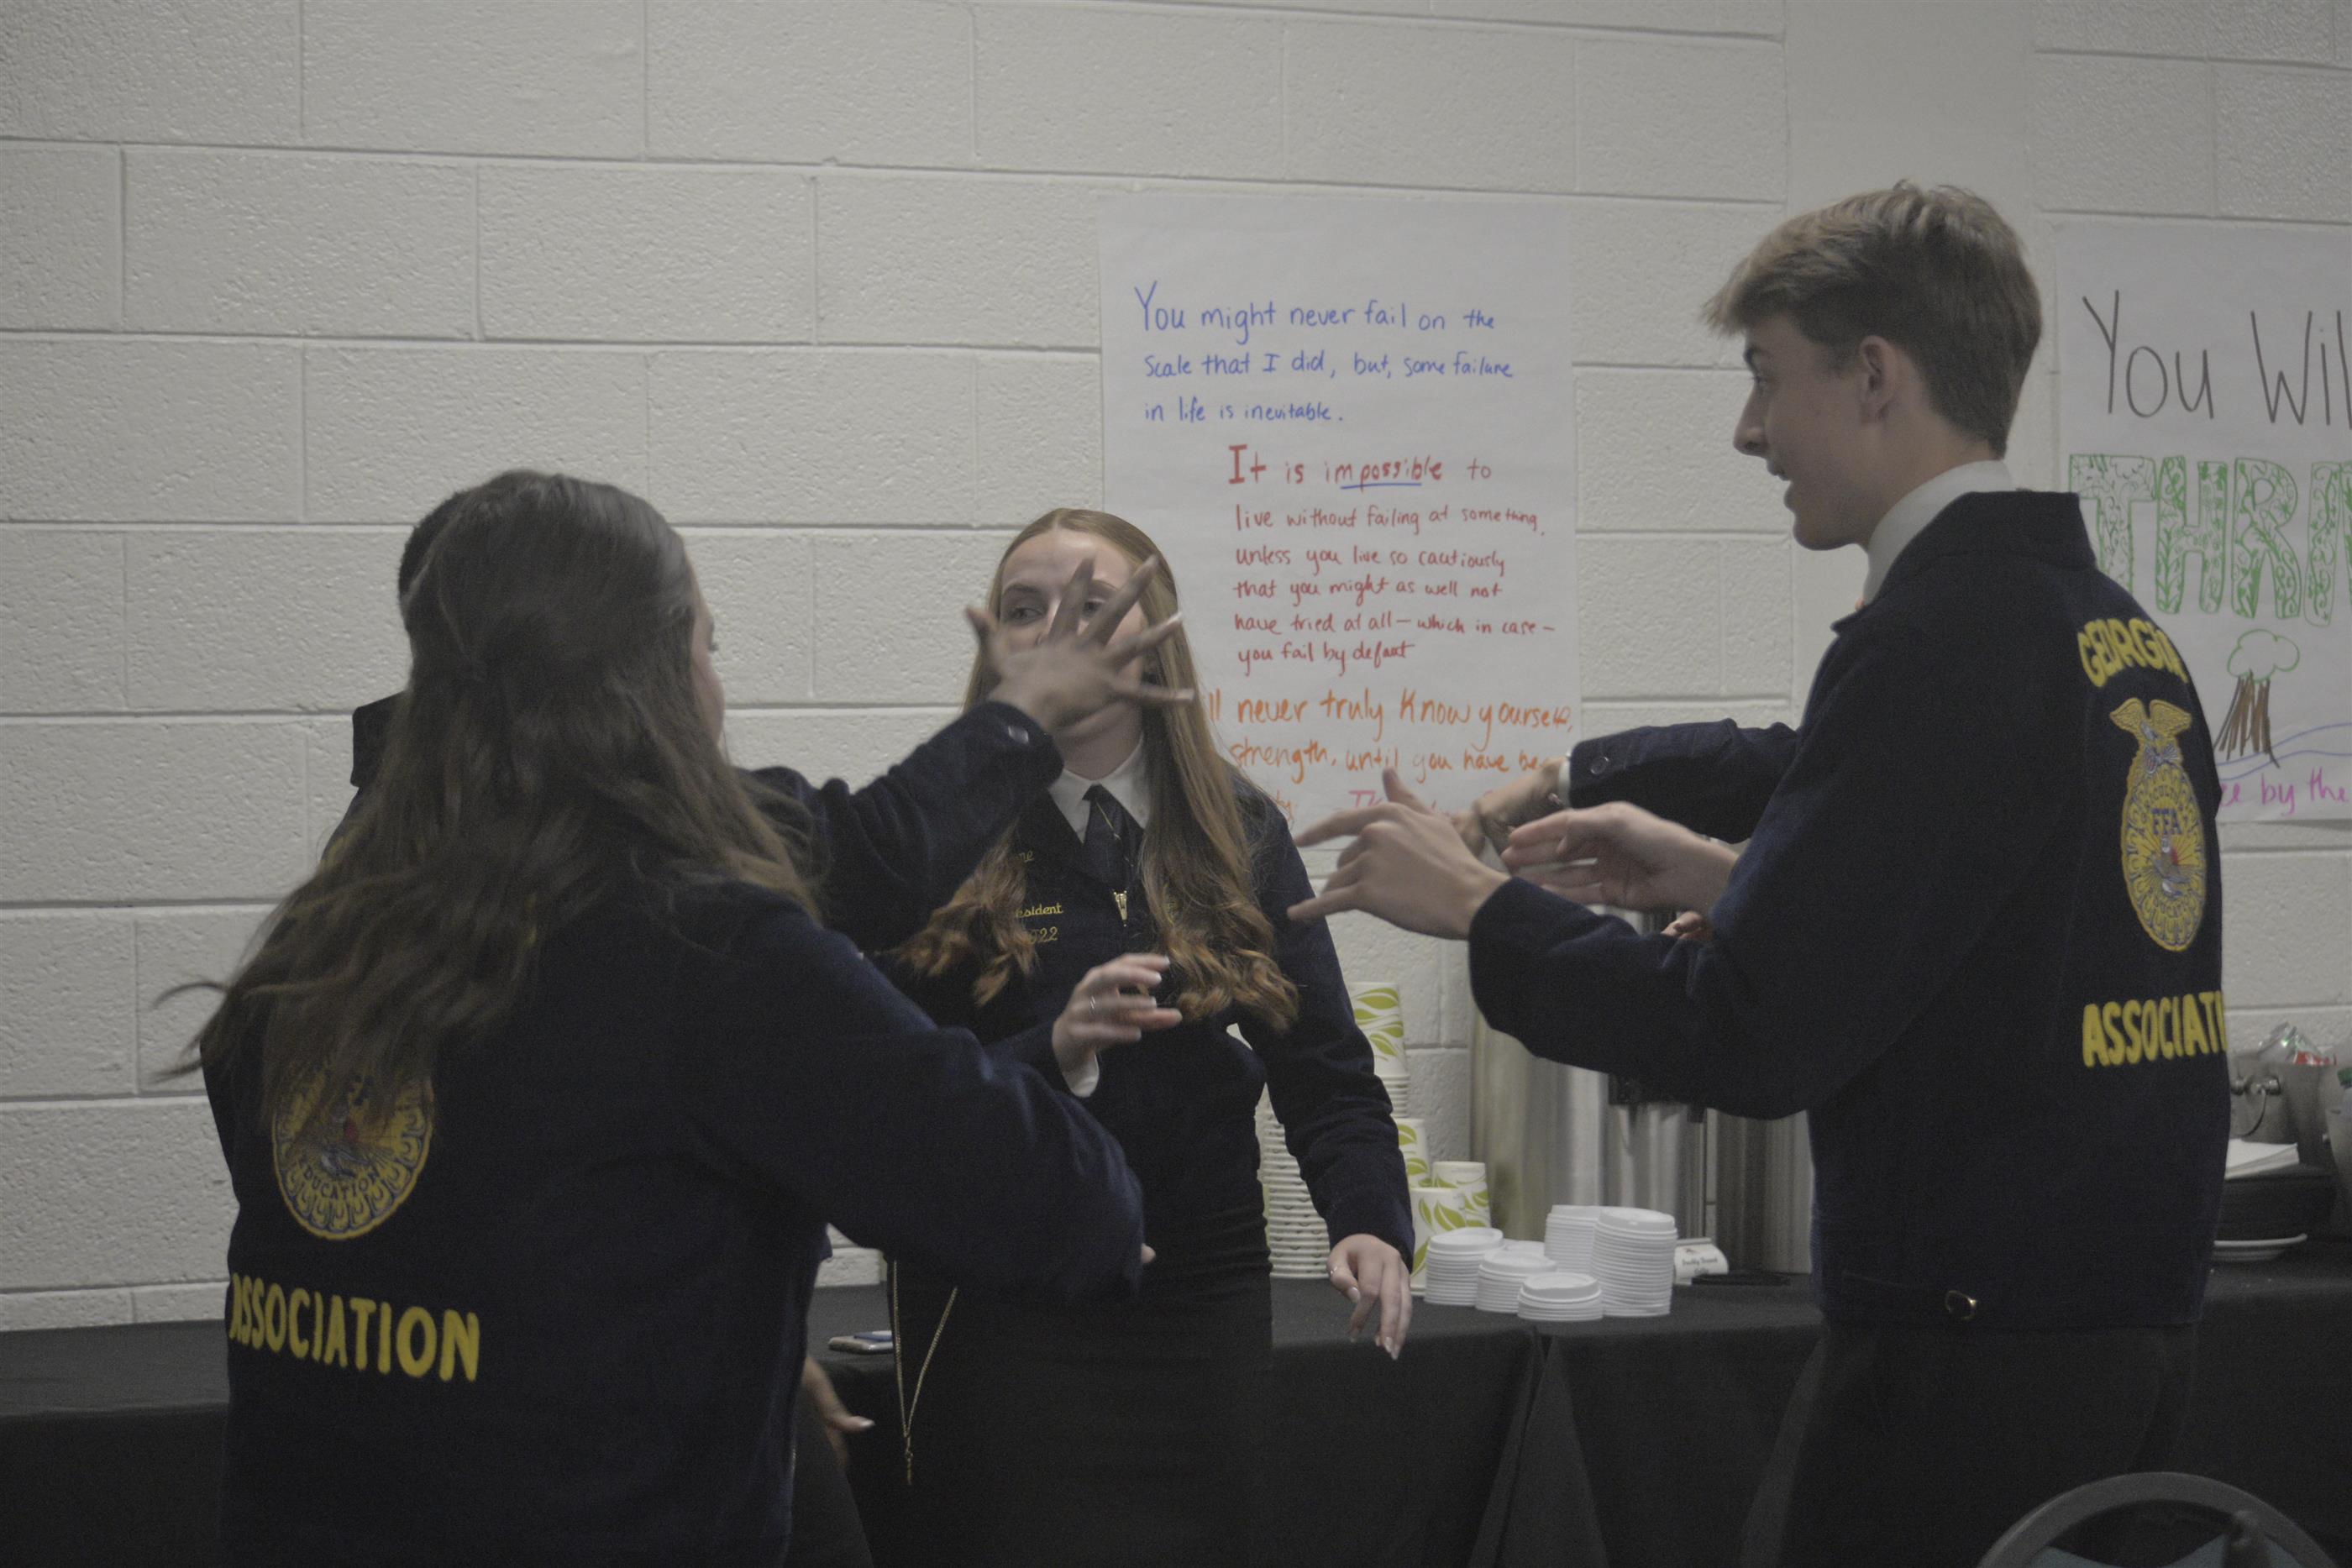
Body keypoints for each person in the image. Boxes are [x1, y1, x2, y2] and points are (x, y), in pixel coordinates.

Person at [1289, 185, 2229, 1568]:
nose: (1749, 430)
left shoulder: (1932, 639)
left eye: (1766, 376)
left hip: (1964, 1358)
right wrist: (1697, 846)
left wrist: (1482, 909)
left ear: (1873, 374)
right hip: (2111, 1326)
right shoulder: (2107, 629)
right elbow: (1944, 872)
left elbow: (1750, 1028)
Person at [189, 470, 1174, 1565]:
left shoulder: (321, 933)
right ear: (660, 681)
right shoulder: (700, 945)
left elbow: (861, 854)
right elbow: (1054, 1201)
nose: (717, 684)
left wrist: (723, 1320)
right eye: (708, 646)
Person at [885, 509, 1416, 1566]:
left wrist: (1369, 1218)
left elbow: (1324, 1069)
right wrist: (1054, 1053)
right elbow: (894, 1100)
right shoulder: (937, 828)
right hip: (1011, 1296)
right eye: (1025, 608)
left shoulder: (1237, 826)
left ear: (1155, 636)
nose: (1059, 631)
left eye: (1094, 605)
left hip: (1200, 1297)